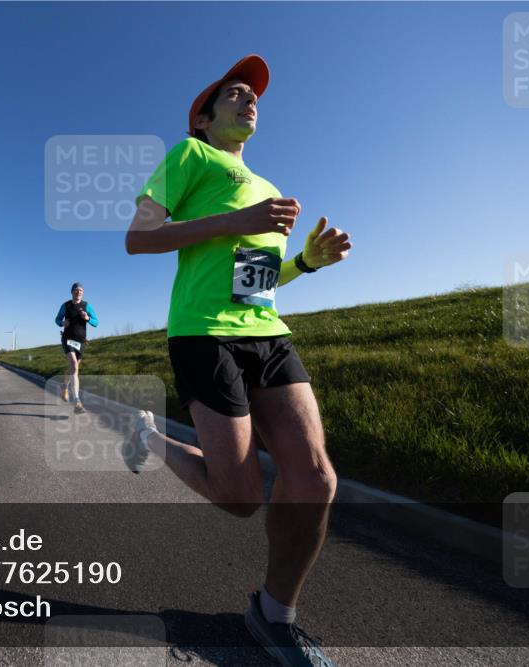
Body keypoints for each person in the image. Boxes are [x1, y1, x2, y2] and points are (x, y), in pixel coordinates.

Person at [122, 55, 352, 667]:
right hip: (203, 335)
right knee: (241, 495)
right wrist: (239, 220)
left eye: (254, 96)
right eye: (235, 93)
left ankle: (275, 616)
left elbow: (255, 283)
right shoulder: (189, 157)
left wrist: (305, 263)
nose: (250, 100)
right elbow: (138, 238)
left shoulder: (272, 191)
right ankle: (153, 441)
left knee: (316, 480)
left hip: (267, 333)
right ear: (204, 117)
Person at [54, 282, 98, 414]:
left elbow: (96, 322)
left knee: (73, 368)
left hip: (81, 342)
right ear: (72, 292)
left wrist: (88, 317)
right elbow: (57, 319)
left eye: (81, 290)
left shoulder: (86, 306)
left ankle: (65, 386)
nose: (79, 292)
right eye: (76, 290)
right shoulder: (65, 305)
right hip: (67, 339)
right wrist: (62, 323)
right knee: (74, 366)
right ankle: (77, 401)